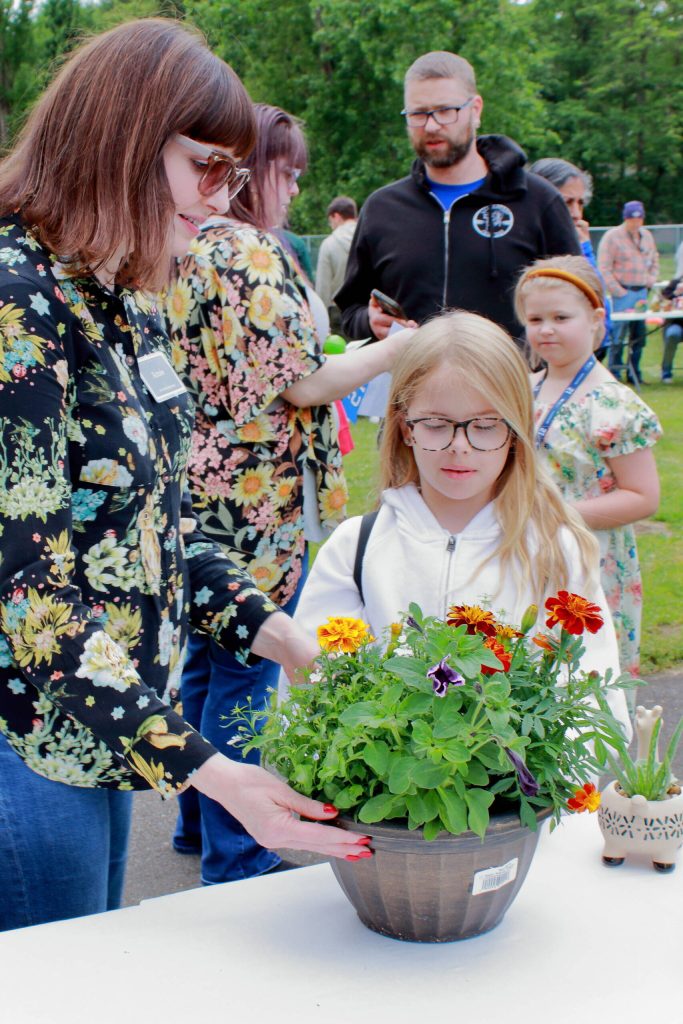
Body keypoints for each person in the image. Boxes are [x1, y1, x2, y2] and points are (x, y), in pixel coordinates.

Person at [0, 19, 371, 934]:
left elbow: (155, 526)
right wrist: (210, 770)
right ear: (121, 140)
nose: (225, 198)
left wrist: (282, 636)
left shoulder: (122, 293)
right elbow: (26, 592)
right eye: (209, 165)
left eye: (238, 175)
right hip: (27, 737)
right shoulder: (18, 298)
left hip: (105, 727)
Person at [167, 104, 413, 883]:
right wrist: (393, 350)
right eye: (289, 171)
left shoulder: (187, 243)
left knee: (209, 660)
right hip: (253, 489)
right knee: (246, 668)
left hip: (197, 479)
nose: (295, 190)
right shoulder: (246, 251)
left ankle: (195, 823)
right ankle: (236, 853)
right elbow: (301, 384)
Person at [284, 310, 631, 739]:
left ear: (518, 429)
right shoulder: (356, 547)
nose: (460, 447)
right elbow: (308, 696)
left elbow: (597, 704)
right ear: (404, 427)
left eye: (485, 426)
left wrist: (536, 793)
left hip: (531, 804)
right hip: (385, 802)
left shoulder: (555, 548)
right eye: (435, 424)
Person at [336, 50, 580, 344]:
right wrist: (370, 322)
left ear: (475, 109)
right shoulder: (382, 209)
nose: (431, 125)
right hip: (412, 385)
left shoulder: (537, 201)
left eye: (445, 110)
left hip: (509, 387)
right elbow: (350, 311)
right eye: (418, 114)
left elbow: (578, 308)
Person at [514, 255, 661, 688]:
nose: (546, 329)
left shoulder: (614, 404)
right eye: (535, 318)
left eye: (561, 317)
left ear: (596, 318)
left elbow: (643, 496)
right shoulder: (525, 387)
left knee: (583, 677)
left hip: (588, 556)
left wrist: (559, 514)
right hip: (526, 549)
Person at [529, 157, 611, 355]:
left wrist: (584, 248)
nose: (576, 213)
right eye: (567, 202)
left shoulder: (581, 244)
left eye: (580, 203)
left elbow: (595, 299)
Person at [597, 200, 659, 383]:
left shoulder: (646, 236)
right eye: (632, 219)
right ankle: (614, 372)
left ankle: (634, 372)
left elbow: (655, 259)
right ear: (625, 218)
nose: (636, 222)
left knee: (639, 335)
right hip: (623, 293)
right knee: (618, 335)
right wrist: (619, 291)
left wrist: (651, 280)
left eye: (639, 218)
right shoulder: (612, 237)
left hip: (642, 292)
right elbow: (604, 268)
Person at [315, 196, 358, 333]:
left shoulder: (329, 244)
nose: (331, 226)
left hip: (339, 312)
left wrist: (320, 319)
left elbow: (323, 287)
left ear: (336, 216)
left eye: (330, 221)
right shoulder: (369, 237)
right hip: (370, 310)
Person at [660, 275, 683, 383]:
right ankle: (666, 372)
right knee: (672, 334)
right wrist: (675, 293)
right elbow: (661, 301)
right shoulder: (675, 283)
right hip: (676, 323)